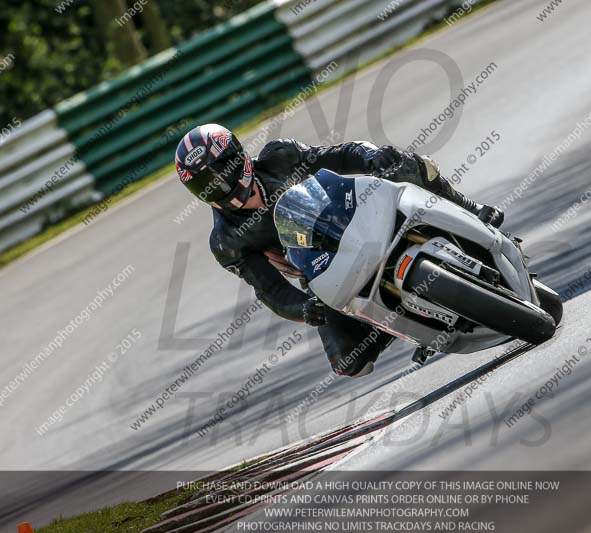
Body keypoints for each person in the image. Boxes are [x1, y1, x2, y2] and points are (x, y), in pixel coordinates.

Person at [175, 124, 503, 377]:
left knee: (400, 162)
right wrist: (304, 307)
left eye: (220, 174)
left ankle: (470, 209)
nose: (218, 187)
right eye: (205, 185)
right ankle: (400, 323)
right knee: (349, 362)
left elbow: (343, 154)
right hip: (324, 272)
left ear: (239, 159)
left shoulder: (281, 156)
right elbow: (270, 289)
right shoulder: (226, 242)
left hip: (359, 215)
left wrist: (371, 157)